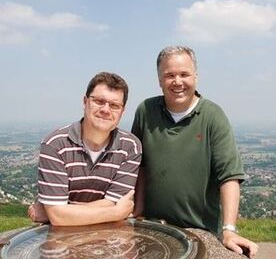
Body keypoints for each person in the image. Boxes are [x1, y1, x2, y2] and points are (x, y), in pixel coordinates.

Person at [131, 46, 258, 258]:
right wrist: (138, 210)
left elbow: (229, 176)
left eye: (184, 74)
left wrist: (229, 230)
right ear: (159, 80)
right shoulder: (145, 110)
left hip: (199, 229)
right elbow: (139, 166)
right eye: (169, 75)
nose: (177, 81)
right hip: (153, 228)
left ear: (196, 77)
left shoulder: (213, 115)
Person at [28, 71, 142, 226]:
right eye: (99, 101)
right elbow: (58, 216)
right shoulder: (55, 144)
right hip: (60, 240)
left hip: (108, 235)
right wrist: (114, 213)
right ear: (85, 101)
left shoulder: (131, 147)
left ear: (122, 111)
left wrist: (54, 212)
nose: (106, 110)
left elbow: (113, 202)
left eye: (114, 105)